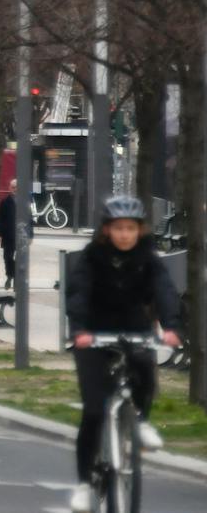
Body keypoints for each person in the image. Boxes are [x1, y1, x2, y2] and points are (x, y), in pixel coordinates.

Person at [64, 195, 183, 512]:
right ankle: (84, 485)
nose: (125, 235)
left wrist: (171, 326)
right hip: (94, 334)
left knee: (145, 364)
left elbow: (164, 289)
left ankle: (141, 420)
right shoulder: (92, 259)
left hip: (134, 328)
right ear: (107, 231)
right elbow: (78, 294)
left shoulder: (148, 258)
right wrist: (79, 332)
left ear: (139, 230)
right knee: (93, 410)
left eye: (131, 228)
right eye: (119, 228)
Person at [0, 178, 22, 289]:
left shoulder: (24, 201)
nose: (15, 189)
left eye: (16, 187)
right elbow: (0, 219)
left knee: (20, 258)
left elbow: (29, 219)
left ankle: (16, 279)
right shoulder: (5, 202)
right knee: (8, 257)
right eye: (13, 187)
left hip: (21, 235)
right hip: (8, 235)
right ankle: (10, 276)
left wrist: (30, 234)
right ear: (9, 188)